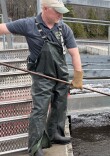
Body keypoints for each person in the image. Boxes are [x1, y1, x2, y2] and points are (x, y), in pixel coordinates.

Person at [0, 0, 83, 155]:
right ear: (45, 9)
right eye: (57, 11)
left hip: (61, 74)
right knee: (40, 109)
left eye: (61, 11)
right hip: (42, 75)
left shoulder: (64, 28)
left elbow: (74, 52)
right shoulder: (28, 24)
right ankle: (35, 146)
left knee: (60, 104)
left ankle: (54, 134)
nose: (60, 14)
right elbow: (2, 28)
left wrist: (78, 76)